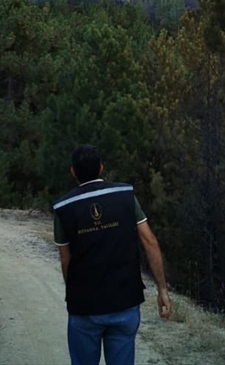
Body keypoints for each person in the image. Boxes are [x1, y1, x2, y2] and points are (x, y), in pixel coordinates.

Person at [53, 144, 171, 365]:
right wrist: (162, 289)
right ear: (101, 168)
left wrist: (74, 290)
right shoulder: (125, 195)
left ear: (73, 172)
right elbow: (150, 242)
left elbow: (65, 258)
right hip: (125, 302)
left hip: (85, 307)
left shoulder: (64, 207)